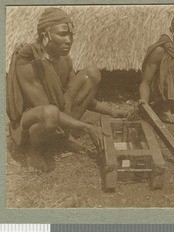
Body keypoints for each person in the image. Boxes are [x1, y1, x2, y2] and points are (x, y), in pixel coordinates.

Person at [6, 7, 126, 171]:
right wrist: (86, 127)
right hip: (33, 120)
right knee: (50, 113)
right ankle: (34, 152)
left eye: (71, 35)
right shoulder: (27, 61)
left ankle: (61, 137)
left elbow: (78, 96)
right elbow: (45, 107)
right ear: (45, 35)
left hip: (56, 116)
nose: (69, 40)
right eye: (62, 34)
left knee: (91, 73)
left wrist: (111, 111)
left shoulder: (65, 59)